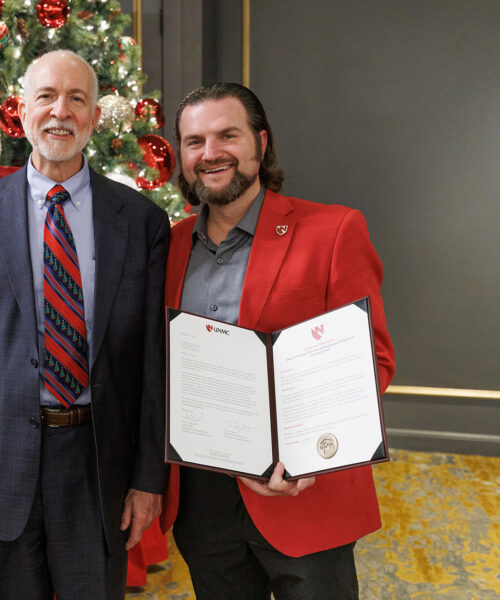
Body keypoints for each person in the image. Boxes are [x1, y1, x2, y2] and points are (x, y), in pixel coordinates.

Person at [0, 50, 170, 599]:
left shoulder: (140, 221)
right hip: (1, 466)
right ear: (22, 109)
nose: (59, 111)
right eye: (46, 96)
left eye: (76, 98)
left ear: (93, 116)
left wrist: (147, 479)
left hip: (100, 463)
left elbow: (154, 367)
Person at [160, 82, 395, 598]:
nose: (210, 153)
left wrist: (306, 455)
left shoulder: (332, 230)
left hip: (302, 492)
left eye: (228, 135)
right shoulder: (170, 244)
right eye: (194, 141)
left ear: (261, 145)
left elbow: (371, 359)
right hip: (202, 499)